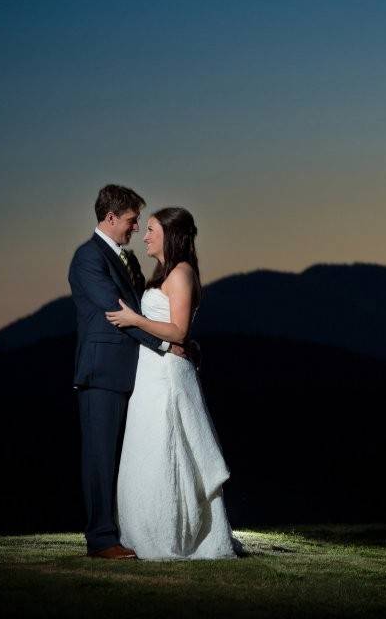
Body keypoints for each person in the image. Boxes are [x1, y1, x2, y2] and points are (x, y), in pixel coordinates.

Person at [106, 207, 237, 560]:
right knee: (148, 448)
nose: (145, 236)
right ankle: (143, 529)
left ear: (170, 234)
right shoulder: (164, 272)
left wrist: (135, 319)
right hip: (151, 373)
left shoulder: (180, 273)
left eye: (151, 230)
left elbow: (179, 330)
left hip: (166, 375)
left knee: (169, 448)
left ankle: (171, 533)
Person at [68, 185, 188, 559]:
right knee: (100, 457)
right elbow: (117, 314)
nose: (136, 228)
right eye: (132, 220)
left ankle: (126, 531)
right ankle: (101, 539)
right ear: (110, 218)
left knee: (127, 458)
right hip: (101, 372)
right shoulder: (88, 257)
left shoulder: (128, 260)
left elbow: (142, 313)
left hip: (133, 373)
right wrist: (167, 346)